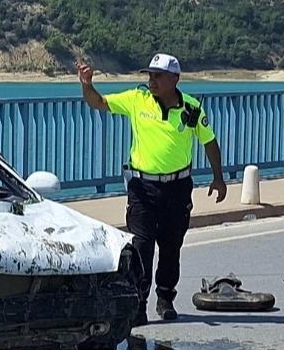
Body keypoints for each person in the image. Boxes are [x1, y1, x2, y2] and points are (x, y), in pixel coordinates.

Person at [77, 53, 227, 325]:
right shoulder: (137, 99)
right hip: (142, 187)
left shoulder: (191, 109)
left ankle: (165, 298)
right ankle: (139, 303)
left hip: (177, 187)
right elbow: (98, 103)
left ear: (174, 79)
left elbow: (209, 141)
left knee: (171, 246)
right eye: (150, 75)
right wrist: (87, 84)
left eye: (157, 76)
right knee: (142, 245)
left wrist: (218, 177)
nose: (151, 80)